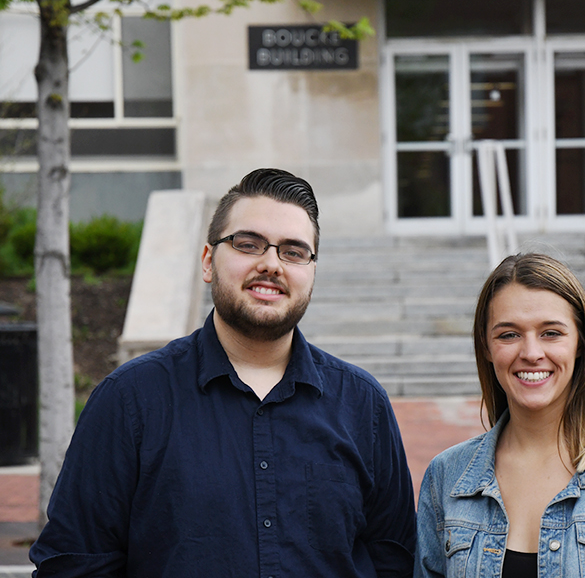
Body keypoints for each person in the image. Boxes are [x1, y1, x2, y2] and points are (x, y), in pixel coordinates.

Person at [30, 168, 417, 577]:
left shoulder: (362, 403)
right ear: (208, 261)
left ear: (312, 271)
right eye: (248, 244)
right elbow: (75, 564)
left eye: (294, 251)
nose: (271, 264)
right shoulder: (130, 400)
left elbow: (396, 560)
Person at [414, 253, 585, 578]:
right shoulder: (446, 478)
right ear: (487, 348)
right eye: (509, 334)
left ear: (580, 342)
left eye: (551, 333)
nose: (532, 353)